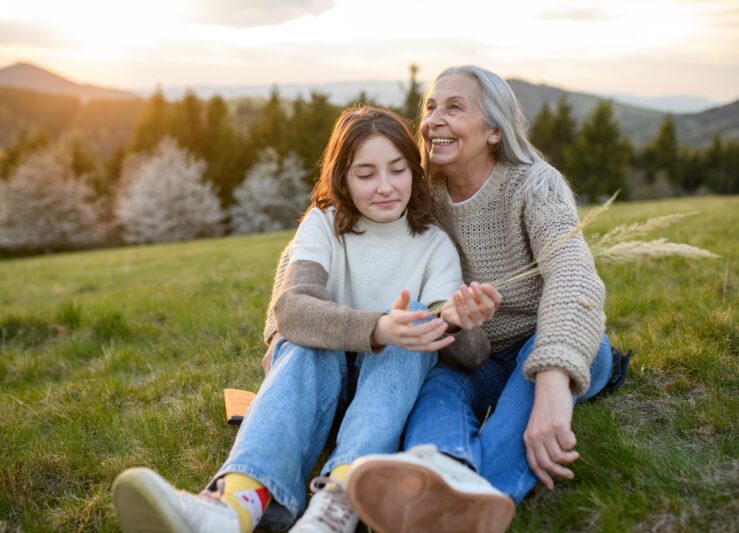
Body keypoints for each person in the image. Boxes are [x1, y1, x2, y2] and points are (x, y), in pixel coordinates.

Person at [111, 106, 497, 533]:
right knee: (309, 333)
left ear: (414, 171)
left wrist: (460, 323)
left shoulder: (433, 245)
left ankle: (336, 506)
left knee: (414, 325)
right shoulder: (323, 224)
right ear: (343, 180)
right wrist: (376, 328)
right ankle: (234, 505)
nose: (385, 187)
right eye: (366, 174)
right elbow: (291, 309)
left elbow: (474, 354)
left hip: (389, 395)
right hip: (315, 388)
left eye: (397, 170)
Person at [335, 65, 616, 533]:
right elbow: (337, 216)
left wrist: (553, 381)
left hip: (552, 340)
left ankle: (482, 493)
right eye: (430, 107)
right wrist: (281, 327)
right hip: (473, 354)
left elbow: (574, 277)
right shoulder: (422, 194)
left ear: (493, 130)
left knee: (525, 390)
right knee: (436, 391)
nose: (432, 120)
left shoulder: (535, 185)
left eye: (454, 107)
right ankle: (442, 466)